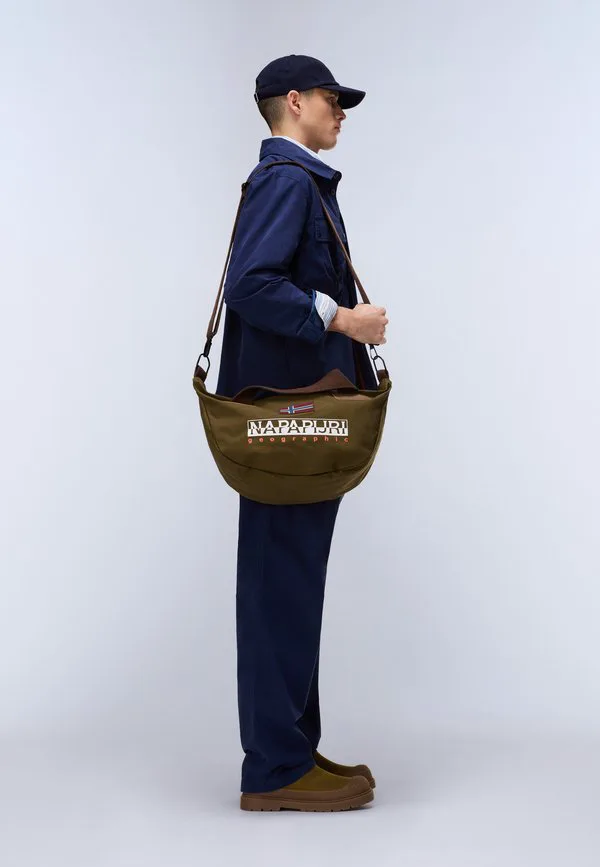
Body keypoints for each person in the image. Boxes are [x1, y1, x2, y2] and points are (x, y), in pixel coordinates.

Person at [214, 54, 389, 812]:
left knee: (287, 581)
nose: (340, 110)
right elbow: (252, 286)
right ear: (293, 101)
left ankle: (288, 747)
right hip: (290, 423)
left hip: (295, 421)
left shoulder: (296, 180)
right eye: (330, 98)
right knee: (281, 583)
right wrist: (344, 319)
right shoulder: (288, 180)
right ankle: (276, 767)